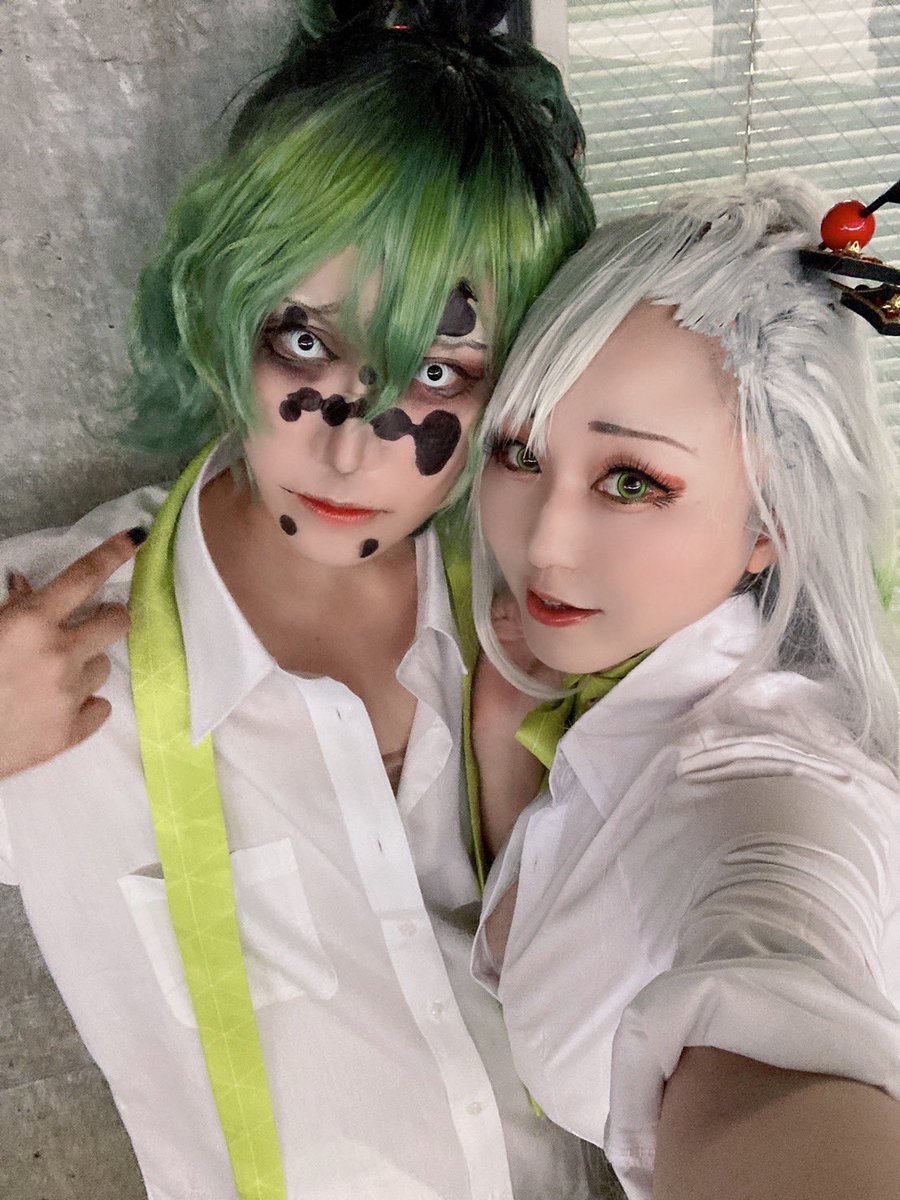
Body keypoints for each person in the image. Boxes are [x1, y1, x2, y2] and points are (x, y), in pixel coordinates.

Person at [0, 2, 606, 1197]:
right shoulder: (40, 640)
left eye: (433, 371)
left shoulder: (551, 615)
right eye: (306, 344)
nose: (349, 446)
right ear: (229, 306)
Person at [468, 175, 900, 1200]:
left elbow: (778, 929)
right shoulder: (613, 703)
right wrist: (502, 731)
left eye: (632, 482)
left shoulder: (769, 793)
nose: (545, 544)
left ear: (772, 523)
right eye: (521, 453)